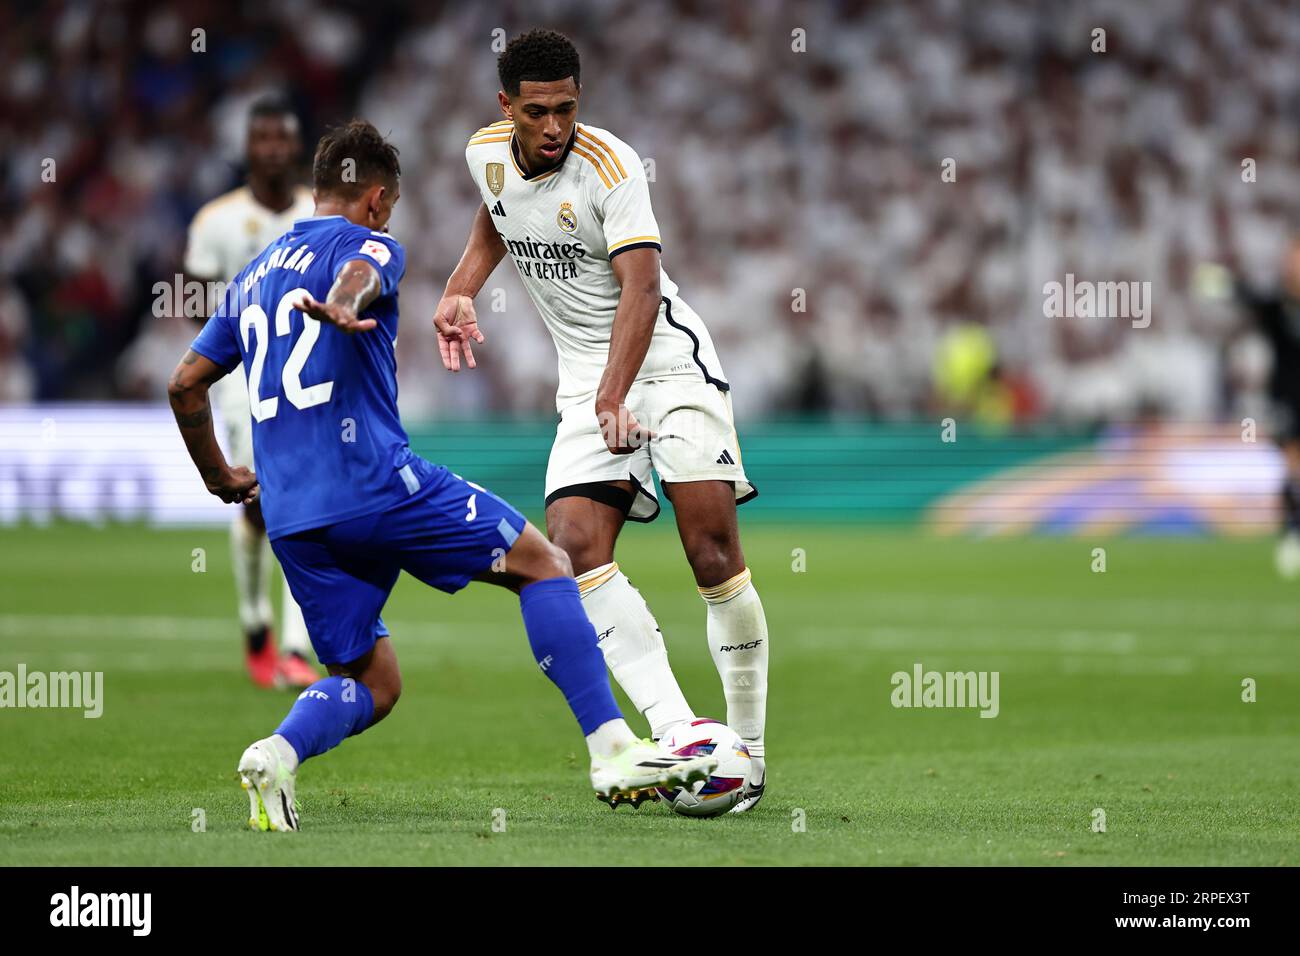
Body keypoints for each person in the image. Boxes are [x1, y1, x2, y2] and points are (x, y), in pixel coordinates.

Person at [167, 119, 714, 831]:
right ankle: (612, 748)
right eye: (387, 206)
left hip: (293, 517)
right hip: (373, 484)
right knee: (543, 563)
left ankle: (276, 753)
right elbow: (359, 273)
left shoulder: (250, 279)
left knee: (371, 680)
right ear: (375, 200)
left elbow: (184, 385)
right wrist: (343, 301)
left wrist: (219, 476)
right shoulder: (371, 245)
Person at [434, 30, 768, 812]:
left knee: (710, 550)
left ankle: (747, 752)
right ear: (506, 107)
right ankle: (682, 736)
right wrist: (460, 289)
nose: (555, 127)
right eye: (538, 112)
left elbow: (643, 291)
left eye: (568, 109)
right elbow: (499, 214)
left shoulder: (612, 167)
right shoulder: (483, 153)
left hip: (666, 361)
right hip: (590, 376)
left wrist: (617, 397)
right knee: (574, 547)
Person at [183, 95, 318, 688]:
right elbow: (193, 302)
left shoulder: (321, 214)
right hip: (242, 385)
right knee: (261, 504)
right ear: (247, 149)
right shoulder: (216, 221)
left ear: (296, 148)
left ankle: (293, 646)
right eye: (260, 139)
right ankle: (255, 620)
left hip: (310, 382)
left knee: (301, 501)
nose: (270, 149)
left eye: (280, 138)